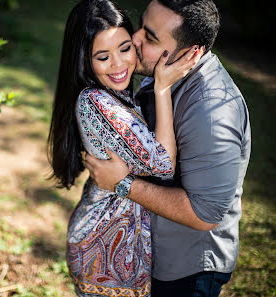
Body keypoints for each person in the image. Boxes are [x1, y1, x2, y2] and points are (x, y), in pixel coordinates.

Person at [85, 0, 252, 296]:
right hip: (152, 253)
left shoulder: (211, 112)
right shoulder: (164, 70)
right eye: (141, 26)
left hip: (187, 270)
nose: (133, 39)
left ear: (191, 52)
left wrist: (122, 184)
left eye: (150, 37)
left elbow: (205, 215)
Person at [47, 0, 202, 296]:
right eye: (103, 57)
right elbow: (163, 163)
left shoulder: (115, 94)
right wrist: (162, 88)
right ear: (84, 61)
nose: (119, 65)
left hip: (115, 246)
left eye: (125, 48)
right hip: (102, 251)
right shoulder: (97, 102)